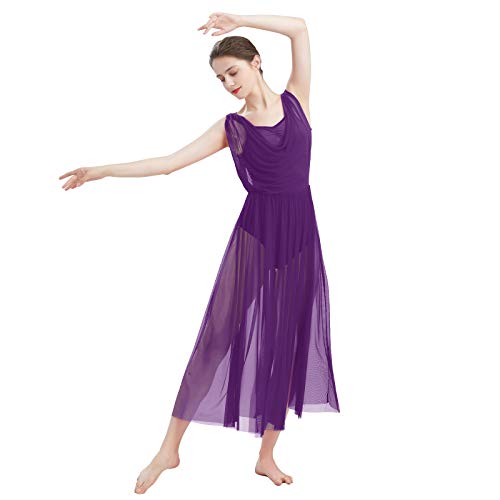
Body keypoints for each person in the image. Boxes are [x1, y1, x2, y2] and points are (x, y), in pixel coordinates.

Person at [59, 12, 340, 491]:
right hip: (257, 236)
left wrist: (239, 17)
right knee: (216, 337)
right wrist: (102, 170)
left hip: (300, 238)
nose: (228, 84)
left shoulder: (298, 100)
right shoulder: (233, 127)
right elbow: (169, 163)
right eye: (220, 79)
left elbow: (299, 27)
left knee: (286, 347)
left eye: (232, 72)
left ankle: (266, 456)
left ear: (256, 62)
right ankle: (169, 449)